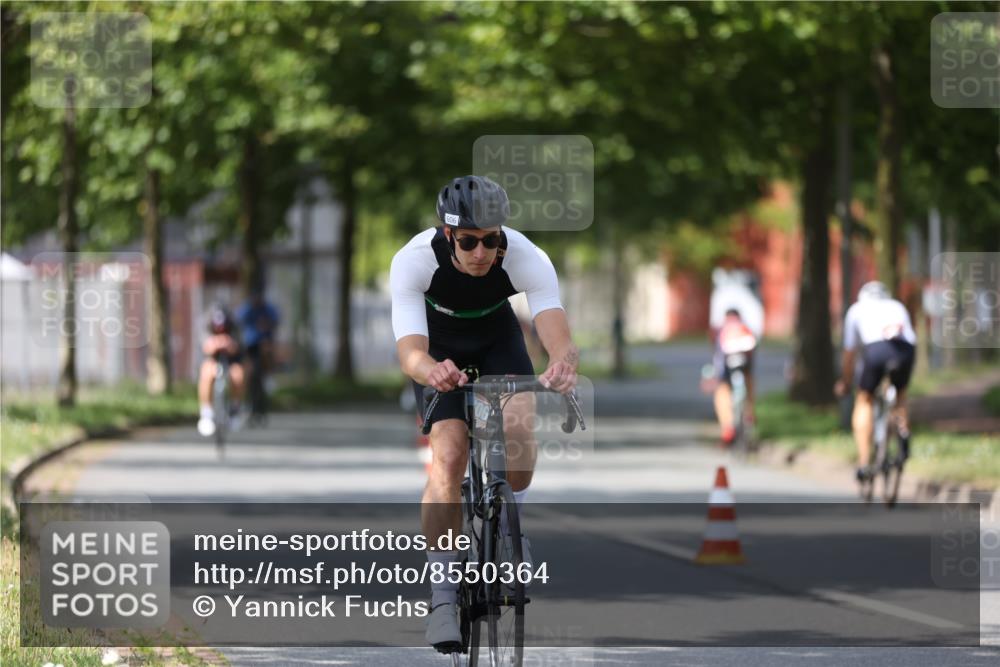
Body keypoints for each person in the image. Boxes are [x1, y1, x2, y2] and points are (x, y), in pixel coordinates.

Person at [389, 175, 578, 652]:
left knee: (517, 442)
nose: (481, 252)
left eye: (490, 241)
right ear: (448, 234)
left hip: (497, 342)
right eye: (469, 241)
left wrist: (562, 362)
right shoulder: (414, 262)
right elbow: (410, 351)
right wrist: (431, 370)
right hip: (437, 352)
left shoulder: (524, 256)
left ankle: (514, 529)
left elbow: (554, 325)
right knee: (448, 458)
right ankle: (442, 597)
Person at [834, 281, 916, 483]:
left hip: (877, 350)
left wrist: (845, 381)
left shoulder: (856, 310)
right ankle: (903, 431)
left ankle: (863, 462)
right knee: (901, 395)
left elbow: (849, 353)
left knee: (864, 400)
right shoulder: (897, 306)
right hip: (905, 350)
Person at [711, 308, 759, 445]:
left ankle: (727, 427)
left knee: (722, 388)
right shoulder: (744, 328)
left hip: (726, 363)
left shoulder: (722, 330)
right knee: (749, 379)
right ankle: (750, 413)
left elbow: (717, 357)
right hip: (745, 363)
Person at [196, 305, 245, 437]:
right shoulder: (205, 326)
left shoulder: (235, 326)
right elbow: (205, 347)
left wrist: (230, 345)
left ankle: (235, 410)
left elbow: (238, 346)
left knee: (238, 375)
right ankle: (206, 412)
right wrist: (214, 345)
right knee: (206, 373)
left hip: (232, 360)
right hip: (212, 359)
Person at [236, 285, 280, 399]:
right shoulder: (247, 308)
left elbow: (275, 321)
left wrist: (268, 324)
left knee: (266, 350)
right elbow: (238, 320)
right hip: (250, 343)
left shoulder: (268, 308)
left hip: (265, 342)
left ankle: (268, 376)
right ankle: (245, 386)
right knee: (247, 365)